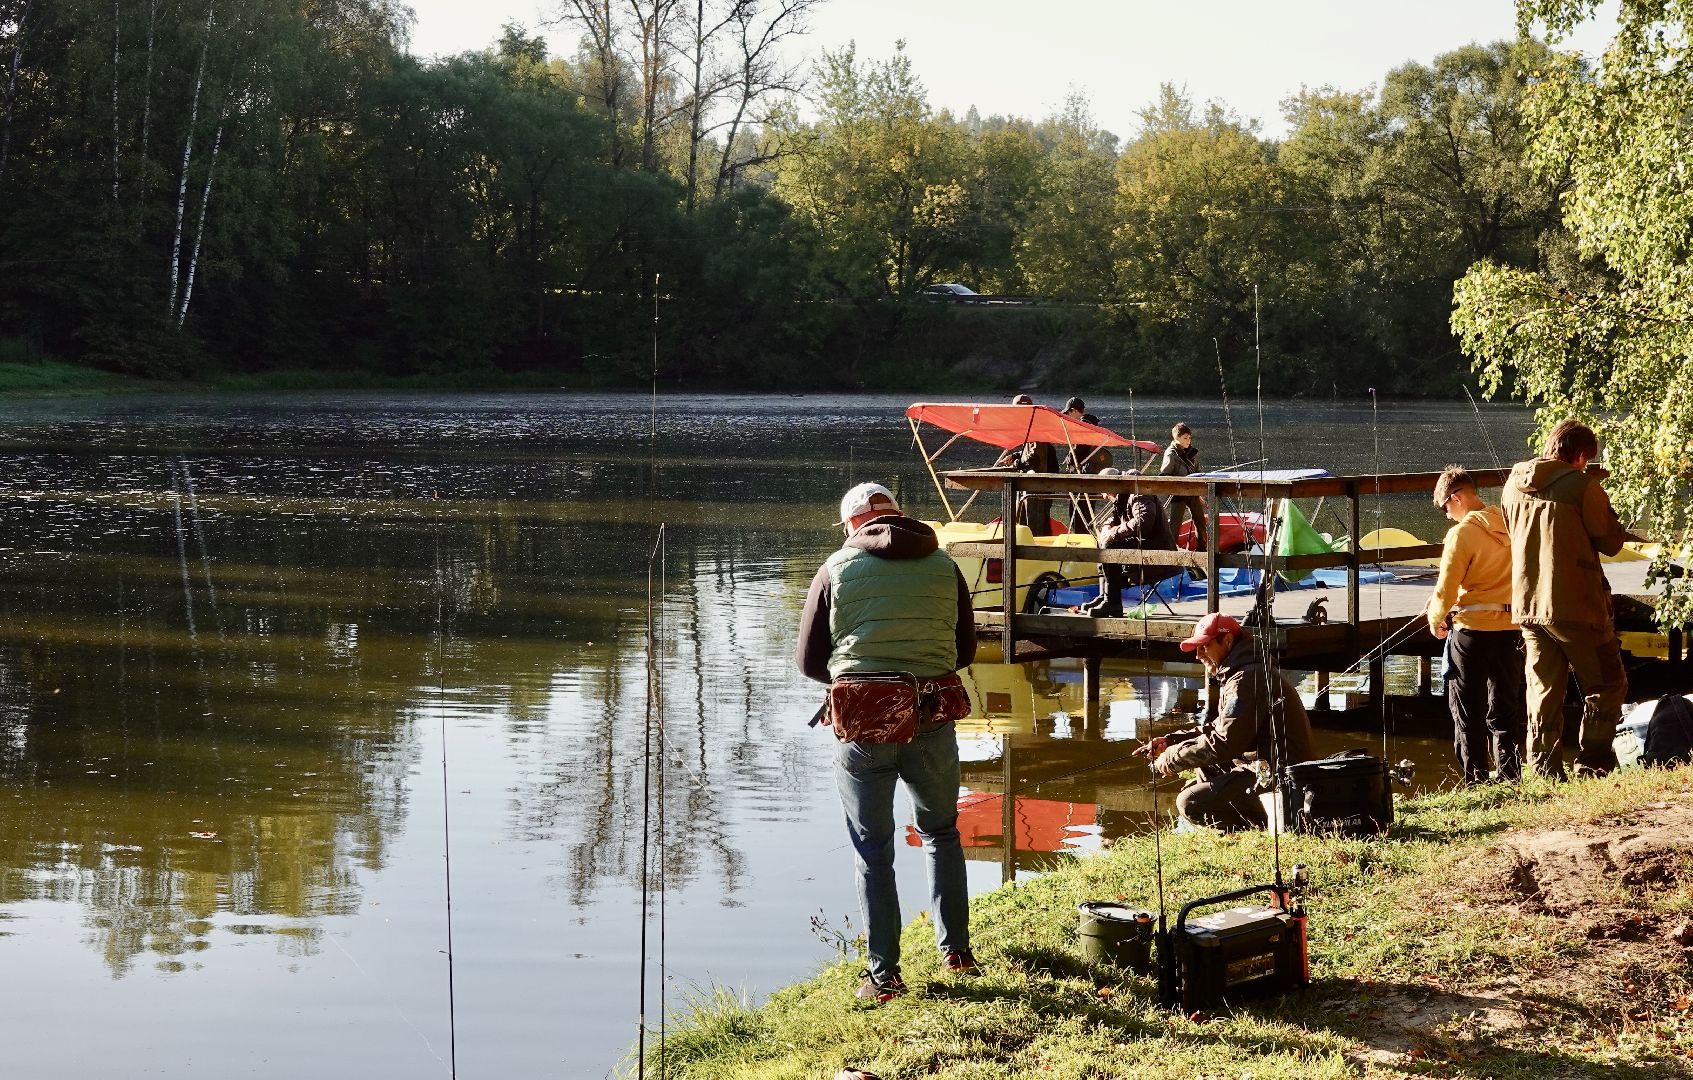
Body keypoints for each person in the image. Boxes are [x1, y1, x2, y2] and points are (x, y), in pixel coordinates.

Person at [796, 481, 978, 1002]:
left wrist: (861, 674)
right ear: (899, 515)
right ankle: (957, 952)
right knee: (941, 832)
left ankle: (885, 976)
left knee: (873, 850)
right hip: (932, 719)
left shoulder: (835, 568)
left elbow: (808, 663)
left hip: (863, 728)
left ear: (854, 524)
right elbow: (964, 651)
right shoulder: (945, 566)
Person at [1500, 420, 1629, 779]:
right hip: (1577, 606)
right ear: (1581, 455)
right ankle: (1593, 763)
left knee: (1543, 690)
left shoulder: (1513, 484)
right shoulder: (1582, 487)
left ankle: (1544, 772)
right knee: (1607, 683)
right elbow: (1612, 542)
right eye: (1589, 459)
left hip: (1528, 604)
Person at [1136, 612, 1314, 830]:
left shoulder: (1246, 679)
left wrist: (1172, 758)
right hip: (1265, 766)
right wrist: (1172, 740)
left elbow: (1224, 743)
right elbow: (1220, 727)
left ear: (1227, 640)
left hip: (1283, 778)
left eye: (1205, 646)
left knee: (1189, 802)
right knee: (1202, 773)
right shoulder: (1242, 672)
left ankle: (1257, 829)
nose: (1198, 655)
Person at [1425, 465, 1525, 782]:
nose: (1446, 515)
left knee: (1467, 709)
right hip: (1511, 628)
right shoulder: (1510, 523)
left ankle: (1476, 778)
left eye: (1445, 507)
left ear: (1457, 498)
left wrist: (1435, 617)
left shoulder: (1462, 533)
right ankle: (1510, 774)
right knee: (1506, 706)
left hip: (1473, 632)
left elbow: (1447, 587)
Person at [1080, 469, 1176, 618]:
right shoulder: (1123, 494)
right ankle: (1105, 595)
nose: (1104, 496)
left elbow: (1144, 522)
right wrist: (1107, 530)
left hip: (1156, 548)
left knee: (1109, 546)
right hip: (1143, 543)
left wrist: (1113, 533)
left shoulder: (1138, 492)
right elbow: (1114, 520)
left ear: (1113, 485)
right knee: (1103, 542)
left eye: (1105, 491)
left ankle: (1113, 603)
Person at [1155, 422, 1208, 550]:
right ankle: (1171, 550)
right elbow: (1164, 475)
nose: (1188, 440)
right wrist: (1175, 486)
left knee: (1200, 522)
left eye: (1189, 438)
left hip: (1192, 492)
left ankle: (1202, 550)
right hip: (1178, 493)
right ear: (1176, 438)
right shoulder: (1171, 453)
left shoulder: (1192, 453)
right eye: (1185, 438)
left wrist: (1199, 494)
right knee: (1175, 524)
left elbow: (1198, 474)